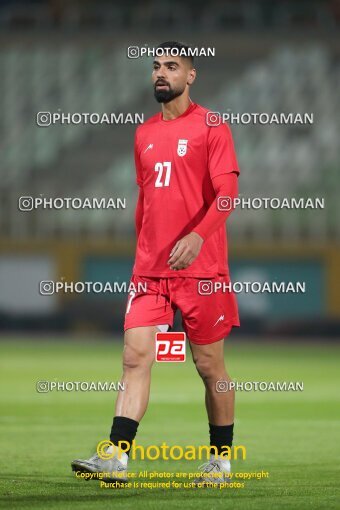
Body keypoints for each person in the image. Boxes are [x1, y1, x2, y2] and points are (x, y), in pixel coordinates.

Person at [72, 41, 240, 487]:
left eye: (171, 66)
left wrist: (197, 235)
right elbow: (144, 201)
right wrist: (142, 252)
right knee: (134, 358)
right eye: (155, 67)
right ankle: (116, 457)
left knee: (209, 367)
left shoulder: (213, 127)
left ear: (191, 75)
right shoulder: (143, 134)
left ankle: (220, 461)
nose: (160, 73)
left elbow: (226, 195)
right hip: (149, 271)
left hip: (202, 271)